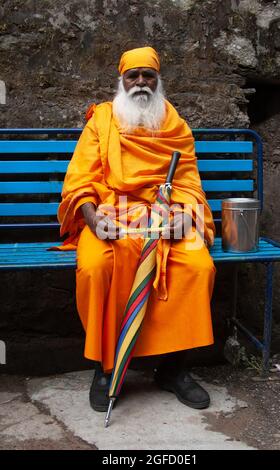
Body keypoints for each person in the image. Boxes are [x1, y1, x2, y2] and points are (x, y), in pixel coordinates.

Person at [57, 46, 216, 412]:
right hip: (112, 216)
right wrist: (93, 219)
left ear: (158, 81)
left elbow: (189, 182)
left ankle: (174, 369)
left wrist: (186, 216)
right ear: (122, 80)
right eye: (134, 76)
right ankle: (104, 368)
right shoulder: (102, 120)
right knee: (96, 269)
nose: (141, 82)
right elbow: (81, 177)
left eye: (149, 76)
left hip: (165, 217)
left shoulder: (174, 124)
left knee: (198, 267)